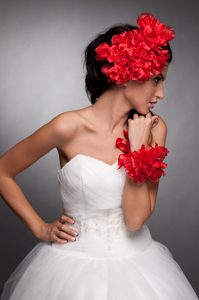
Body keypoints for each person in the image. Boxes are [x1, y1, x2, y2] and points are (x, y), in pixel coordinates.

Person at [0, 12, 198, 300]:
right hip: (70, 268)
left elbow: (135, 220)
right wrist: (40, 227)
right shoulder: (67, 127)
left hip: (141, 264)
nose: (162, 93)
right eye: (156, 79)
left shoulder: (155, 129)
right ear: (127, 73)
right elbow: (3, 170)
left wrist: (139, 148)